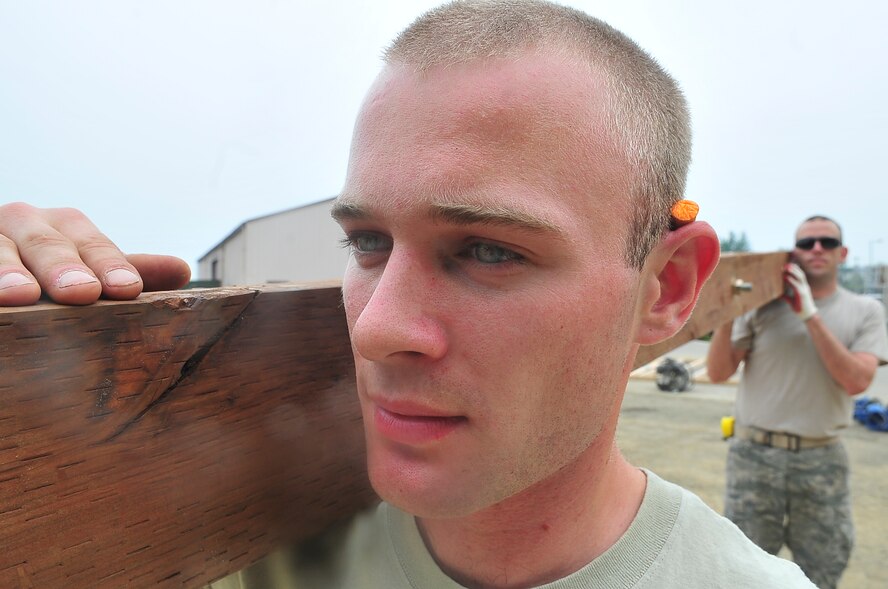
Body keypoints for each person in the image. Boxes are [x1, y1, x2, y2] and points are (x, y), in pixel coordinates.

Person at [0, 1, 816, 587]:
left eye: (488, 249)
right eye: (367, 242)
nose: (377, 327)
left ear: (667, 287)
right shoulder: (262, 543)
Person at [707, 215, 888, 588]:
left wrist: (809, 314)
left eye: (827, 242)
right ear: (794, 253)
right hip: (754, 456)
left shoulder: (866, 311)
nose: (817, 249)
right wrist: (726, 313)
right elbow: (718, 372)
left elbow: (857, 381)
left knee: (822, 565)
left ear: (843, 253)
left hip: (819, 459)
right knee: (744, 567)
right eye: (806, 244)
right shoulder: (762, 307)